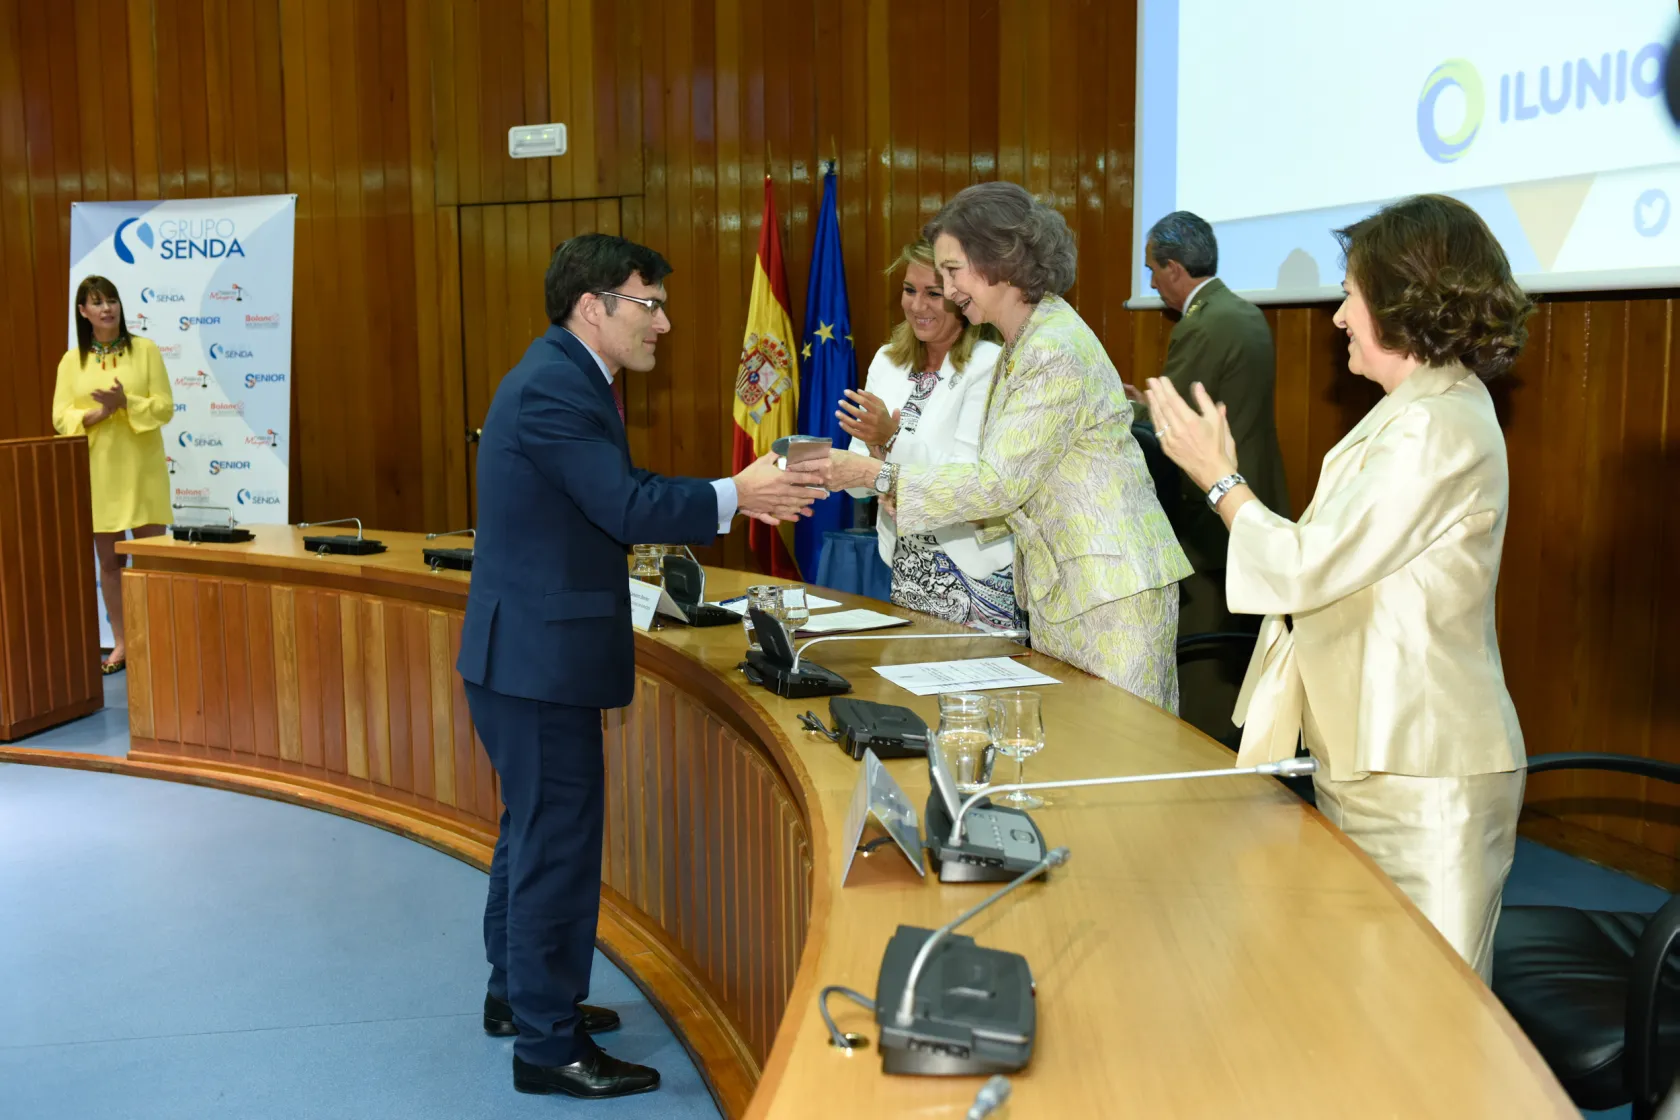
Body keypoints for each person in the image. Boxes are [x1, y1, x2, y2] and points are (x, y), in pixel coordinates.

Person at [458, 233, 828, 1099]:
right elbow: (622, 505)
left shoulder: (566, 376)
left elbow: (611, 490)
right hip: (538, 663)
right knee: (556, 843)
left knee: (532, 831)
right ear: (595, 307)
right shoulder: (557, 385)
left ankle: (520, 997)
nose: (664, 322)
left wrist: (724, 492)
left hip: (528, 655)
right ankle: (549, 1048)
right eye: (648, 304)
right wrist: (740, 493)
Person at [1143, 194, 1532, 981]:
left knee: (1430, 1027)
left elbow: (1304, 568)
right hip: (1375, 758)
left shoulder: (1436, 425)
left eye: (1351, 293)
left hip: (1425, 773)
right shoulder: (1417, 410)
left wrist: (1221, 483)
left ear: (1404, 298)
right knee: (1364, 1008)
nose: (1337, 316)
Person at [827, 183, 1190, 710]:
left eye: (952, 272)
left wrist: (872, 476)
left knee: (1117, 757)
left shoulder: (1052, 349)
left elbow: (997, 484)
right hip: (1068, 587)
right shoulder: (1027, 340)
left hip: (1109, 591)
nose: (948, 291)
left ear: (999, 259)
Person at [1132, 211, 1290, 740]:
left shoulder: (1201, 323)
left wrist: (1123, 410)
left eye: (1154, 270)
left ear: (1175, 268)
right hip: (1257, 496)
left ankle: (1206, 763)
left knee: (1207, 664)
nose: (1151, 283)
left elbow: (1179, 423)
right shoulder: (1244, 313)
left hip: (1211, 516)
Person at [835, 239, 1015, 628]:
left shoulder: (989, 363)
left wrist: (890, 439)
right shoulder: (886, 361)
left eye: (933, 294)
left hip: (973, 568)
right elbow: (857, 485)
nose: (917, 306)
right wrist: (871, 463)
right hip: (905, 564)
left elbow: (967, 479)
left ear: (958, 296)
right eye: (909, 290)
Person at [51, 276, 172, 674]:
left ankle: (162, 639)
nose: (107, 308)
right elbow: (59, 417)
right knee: (109, 562)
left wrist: (126, 403)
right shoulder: (73, 361)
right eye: (97, 303)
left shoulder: (147, 350)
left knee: (154, 559)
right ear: (83, 312)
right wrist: (99, 413)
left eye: (113, 301)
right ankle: (122, 643)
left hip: (142, 467)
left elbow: (164, 408)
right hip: (98, 470)